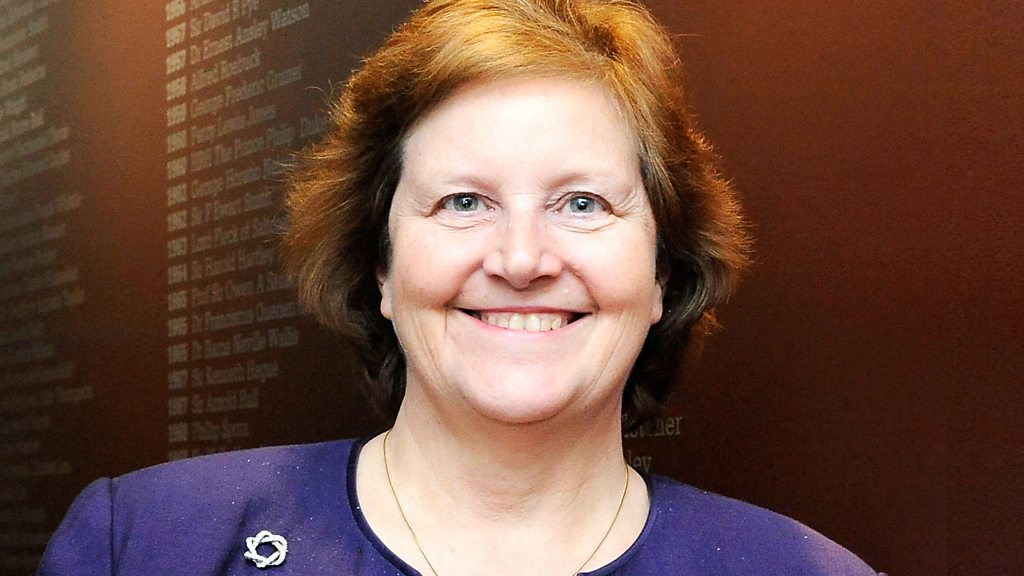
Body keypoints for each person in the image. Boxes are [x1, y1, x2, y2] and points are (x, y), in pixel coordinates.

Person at [39, 1, 884, 574]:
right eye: (464, 202)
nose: (521, 258)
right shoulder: (149, 544)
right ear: (380, 264)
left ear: (662, 271)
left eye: (582, 203)